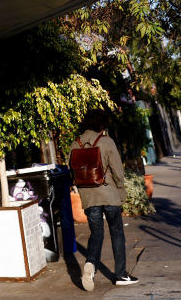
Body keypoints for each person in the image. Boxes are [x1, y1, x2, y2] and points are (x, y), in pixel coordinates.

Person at [71, 109, 139, 290]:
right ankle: (120, 275)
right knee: (117, 232)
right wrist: (122, 192)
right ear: (101, 125)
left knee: (96, 233)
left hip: (89, 196)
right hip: (108, 194)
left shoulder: (74, 145)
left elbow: (74, 172)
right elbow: (117, 170)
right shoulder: (106, 142)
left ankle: (91, 263)